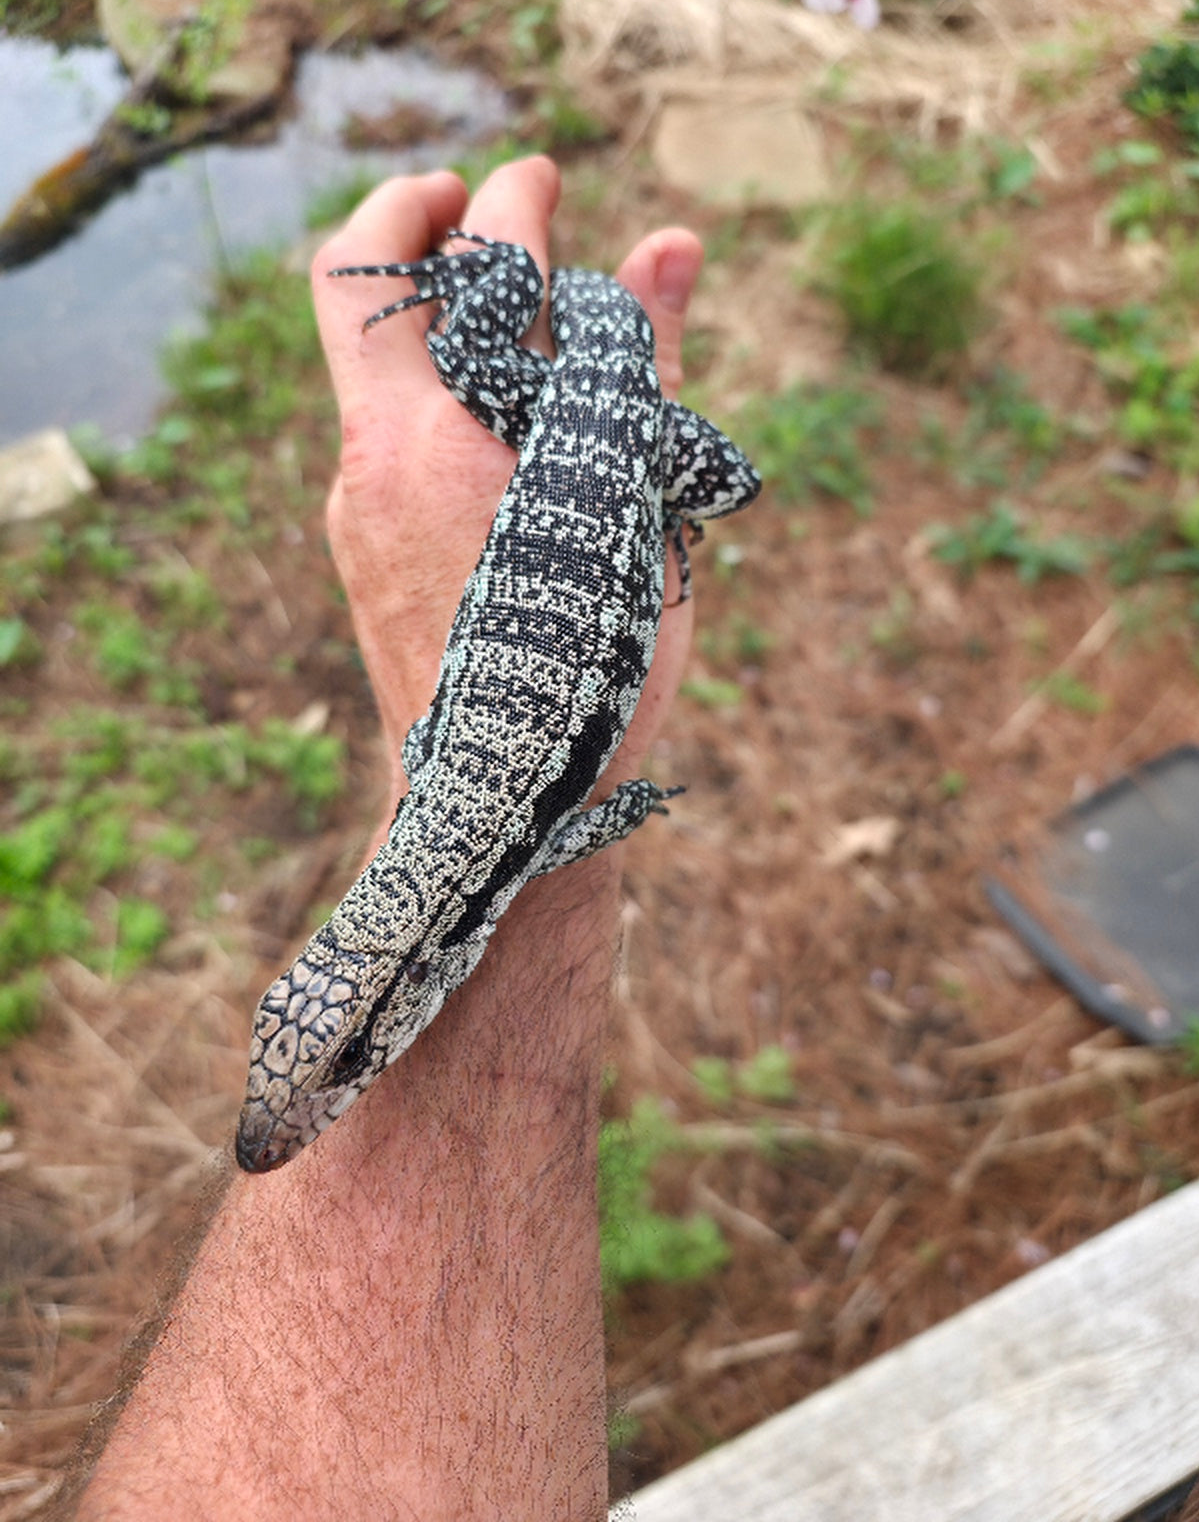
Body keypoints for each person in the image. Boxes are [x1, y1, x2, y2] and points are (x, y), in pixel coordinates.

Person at [72, 155, 705, 1520]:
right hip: (594, 419)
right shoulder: (465, 815)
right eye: (323, 1059)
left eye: (341, 1056)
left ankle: (500, 294)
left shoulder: (512, 844)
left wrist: (630, 798)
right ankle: (510, 303)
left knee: (732, 473)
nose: (300, 1111)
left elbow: (578, 820)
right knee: (686, 457)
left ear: (412, 987)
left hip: (604, 422)